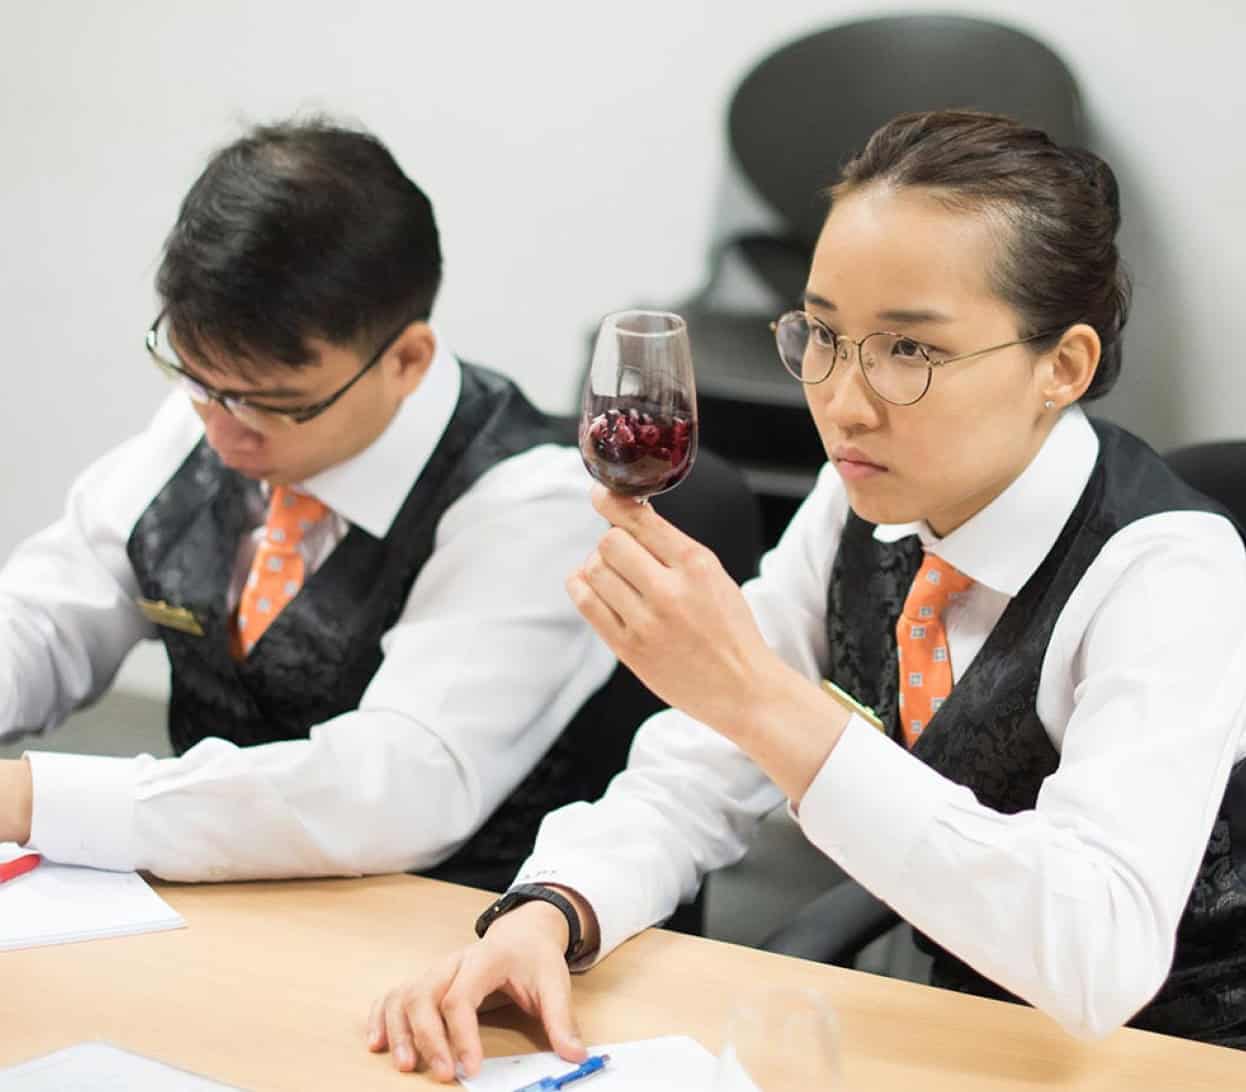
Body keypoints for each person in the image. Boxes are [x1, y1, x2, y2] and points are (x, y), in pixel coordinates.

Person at [369, 110, 1246, 1078]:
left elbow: (1100, 955)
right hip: (961, 1037)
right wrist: (553, 908)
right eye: (823, 334)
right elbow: (697, 771)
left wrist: (755, 695)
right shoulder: (863, 500)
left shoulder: (1166, 572)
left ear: (1062, 366)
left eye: (908, 351)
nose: (842, 400)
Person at [0, 118, 616, 885]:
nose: (223, 430)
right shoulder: (218, 409)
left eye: (275, 405)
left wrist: (34, 795)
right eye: (196, 380)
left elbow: (396, 789)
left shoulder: (530, 506)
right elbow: (50, 612)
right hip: (202, 906)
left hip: (448, 943)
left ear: (406, 359)